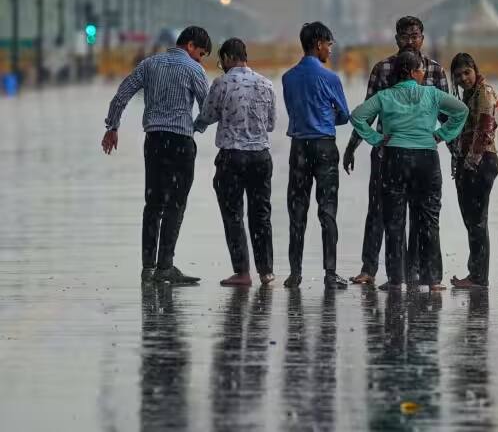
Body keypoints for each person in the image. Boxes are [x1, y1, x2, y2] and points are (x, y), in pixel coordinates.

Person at [343, 16, 450, 287]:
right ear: (396, 39)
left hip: (421, 151)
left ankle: (410, 269)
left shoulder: (435, 71)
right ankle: (369, 268)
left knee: (418, 213)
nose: (410, 41)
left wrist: (451, 146)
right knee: (378, 210)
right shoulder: (383, 69)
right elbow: (366, 112)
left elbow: (449, 115)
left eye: (415, 36)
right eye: (405, 36)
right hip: (386, 151)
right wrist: (354, 145)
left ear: (422, 38)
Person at [101, 26, 212, 284]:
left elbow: (123, 93)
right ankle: (165, 266)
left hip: (154, 142)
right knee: (175, 204)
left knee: (153, 204)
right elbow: (207, 108)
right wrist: (197, 126)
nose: (200, 59)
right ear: (191, 46)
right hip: (181, 143)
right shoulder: (194, 70)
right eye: (201, 53)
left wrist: (112, 126)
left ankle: (148, 267)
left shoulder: (149, 64)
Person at [194, 38, 276, 287]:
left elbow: (207, 116)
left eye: (221, 61)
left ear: (228, 57)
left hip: (232, 157)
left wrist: (195, 126)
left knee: (234, 215)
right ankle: (266, 271)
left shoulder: (222, 83)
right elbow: (271, 124)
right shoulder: (266, 84)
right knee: (261, 214)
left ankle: (242, 272)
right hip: (261, 157)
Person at [282, 22, 351, 289]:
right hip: (324, 146)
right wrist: (327, 117)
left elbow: (292, 110)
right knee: (327, 210)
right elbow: (344, 115)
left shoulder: (289, 78)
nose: (330, 50)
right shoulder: (330, 78)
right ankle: (330, 273)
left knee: (297, 210)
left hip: (299, 146)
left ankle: (295, 273)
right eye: (329, 45)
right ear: (319, 43)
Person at [448, 53, 498, 289]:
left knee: (477, 220)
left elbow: (486, 127)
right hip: (469, 162)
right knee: (472, 220)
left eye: (466, 73)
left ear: (475, 70)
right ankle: (476, 273)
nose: (463, 79)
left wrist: (471, 160)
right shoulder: (468, 95)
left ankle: (479, 276)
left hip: (481, 161)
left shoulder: (484, 92)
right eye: (458, 76)